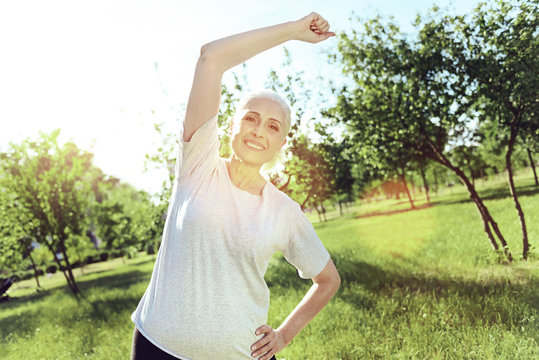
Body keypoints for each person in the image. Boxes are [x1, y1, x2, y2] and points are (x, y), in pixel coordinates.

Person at [130, 12, 341, 360]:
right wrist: (293, 31)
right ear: (231, 126)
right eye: (251, 118)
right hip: (160, 348)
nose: (259, 131)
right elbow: (210, 58)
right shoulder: (197, 166)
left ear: (281, 144)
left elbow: (327, 280)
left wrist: (284, 335)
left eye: (273, 127)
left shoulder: (284, 212)